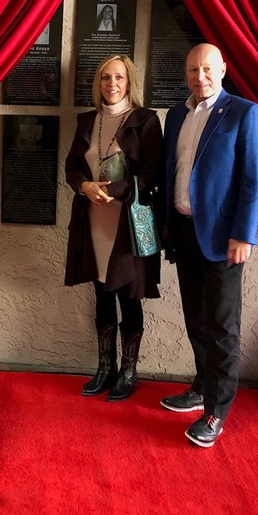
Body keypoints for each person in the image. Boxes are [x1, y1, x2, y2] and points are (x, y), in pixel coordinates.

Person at [159, 43, 258, 447]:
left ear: (222, 69)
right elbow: (173, 171)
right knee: (195, 318)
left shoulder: (244, 113)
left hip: (224, 239)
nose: (199, 77)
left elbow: (254, 181)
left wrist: (244, 234)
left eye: (207, 69)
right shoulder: (176, 115)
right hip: (184, 232)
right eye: (192, 69)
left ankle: (217, 411)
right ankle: (202, 387)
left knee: (223, 326)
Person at [65, 55, 163, 401]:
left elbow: (153, 174)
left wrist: (114, 190)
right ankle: (104, 367)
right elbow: (72, 168)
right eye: (106, 77)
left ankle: (129, 370)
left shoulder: (145, 121)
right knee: (102, 294)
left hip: (128, 225)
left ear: (129, 81)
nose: (112, 84)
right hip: (92, 221)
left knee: (128, 295)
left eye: (119, 77)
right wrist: (84, 186)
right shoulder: (87, 121)